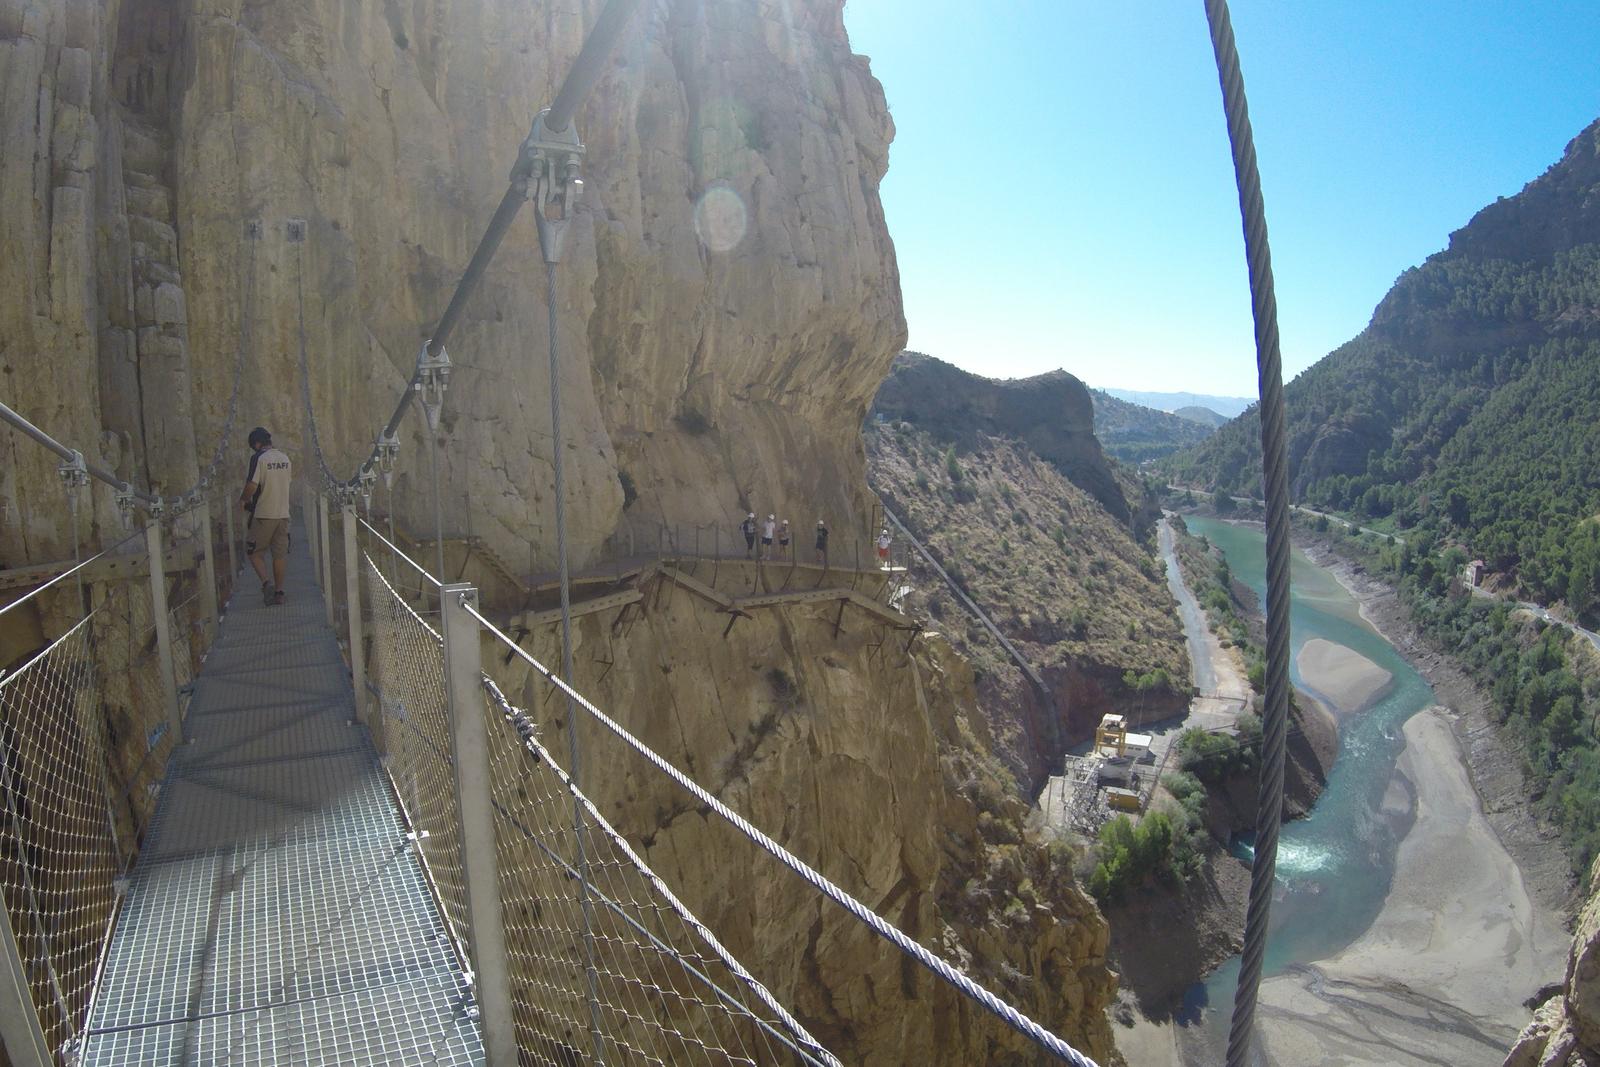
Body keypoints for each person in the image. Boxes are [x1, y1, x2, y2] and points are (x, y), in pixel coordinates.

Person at [240, 426, 292, 605]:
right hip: (283, 514)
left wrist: (243, 500)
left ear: (256, 444)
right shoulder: (285, 458)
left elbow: (252, 485)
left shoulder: (259, 458)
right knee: (279, 555)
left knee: (253, 552)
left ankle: (266, 583)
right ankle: (279, 593)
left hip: (263, 515)